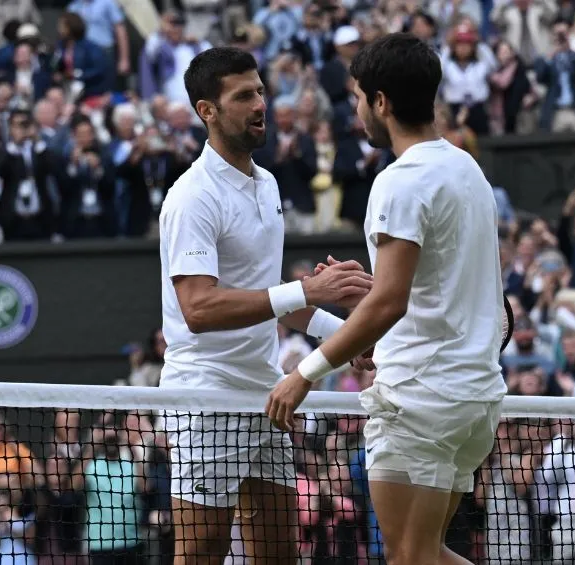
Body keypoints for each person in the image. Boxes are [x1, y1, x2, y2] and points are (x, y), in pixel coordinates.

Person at [266, 33, 507, 565]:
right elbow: (439, 290)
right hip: (471, 404)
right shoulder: (468, 170)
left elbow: (391, 304)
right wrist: (371, 289)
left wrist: (304, 372)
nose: (356, 110)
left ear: (381, 102)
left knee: (408, 558)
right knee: (423, 554)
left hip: (422, 402)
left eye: (358, 97)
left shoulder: (399, 181)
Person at [158, 46, 374, 565]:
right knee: (202, 554)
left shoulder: (269, 183)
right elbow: (200, 309)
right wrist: (306, 290)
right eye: (243, 95)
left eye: (260, 90)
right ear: (207, 110)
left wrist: (344, 339)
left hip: (266, 395)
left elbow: (267, 297)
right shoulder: (193, 197)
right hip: (205, 398)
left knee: (279, 551)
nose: (260, 103)